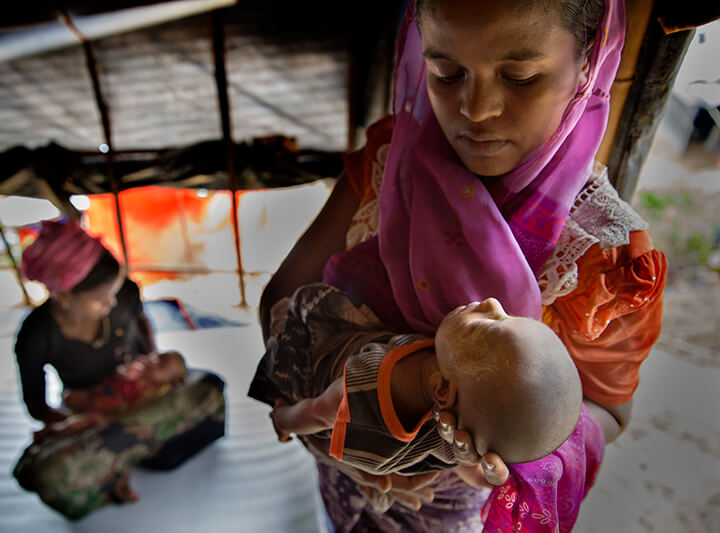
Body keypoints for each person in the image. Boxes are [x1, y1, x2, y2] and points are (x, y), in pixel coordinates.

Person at [258, 0, 668, 531]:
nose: (475, 109)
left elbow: (609, 412)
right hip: (343, 482)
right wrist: (333, 438)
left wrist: (492, 454)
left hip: (452, 513)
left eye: (519, 77)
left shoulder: (602, 258)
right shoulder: (391, 162)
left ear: (589, 60)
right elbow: (282, 297)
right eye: (446, 73)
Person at [250, 284, 601, 518]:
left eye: (487, 327)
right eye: (507, 314)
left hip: (325, 397)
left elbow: (317, 412)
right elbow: (460, 463)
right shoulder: (456, 420)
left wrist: (284, 421)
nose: (493, 304)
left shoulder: (367, 383)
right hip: (376, 458)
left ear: (443, 391)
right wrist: (480, 476)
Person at [12, 219, 226, 520]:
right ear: (64, 296)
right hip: (94, 407)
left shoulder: (124, 293)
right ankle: (136, 445)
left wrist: (152, 362)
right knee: (47, 475)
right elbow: (36, 405)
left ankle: (116, 460)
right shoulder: (35, 336)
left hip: (145, 393)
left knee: (210, 387)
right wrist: (86, 420)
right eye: (101, 298)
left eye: (113, 293)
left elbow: (141, 321)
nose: (112, 303)